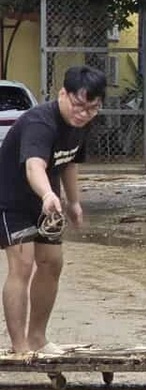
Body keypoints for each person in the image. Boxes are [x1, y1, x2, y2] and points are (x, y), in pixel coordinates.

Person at [0, 65, 106, 353]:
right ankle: (20, 346)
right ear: (63, 93)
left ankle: (37, 338)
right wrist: (48, 193)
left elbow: (69, 161)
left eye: (92, 108)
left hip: (47, 200)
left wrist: (73, 202)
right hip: (11, 197)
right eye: (78, 105)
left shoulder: (82, 124)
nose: (83, 114)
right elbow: (35, 165)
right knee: (21, 266)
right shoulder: (40, 122)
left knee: (52, 263)